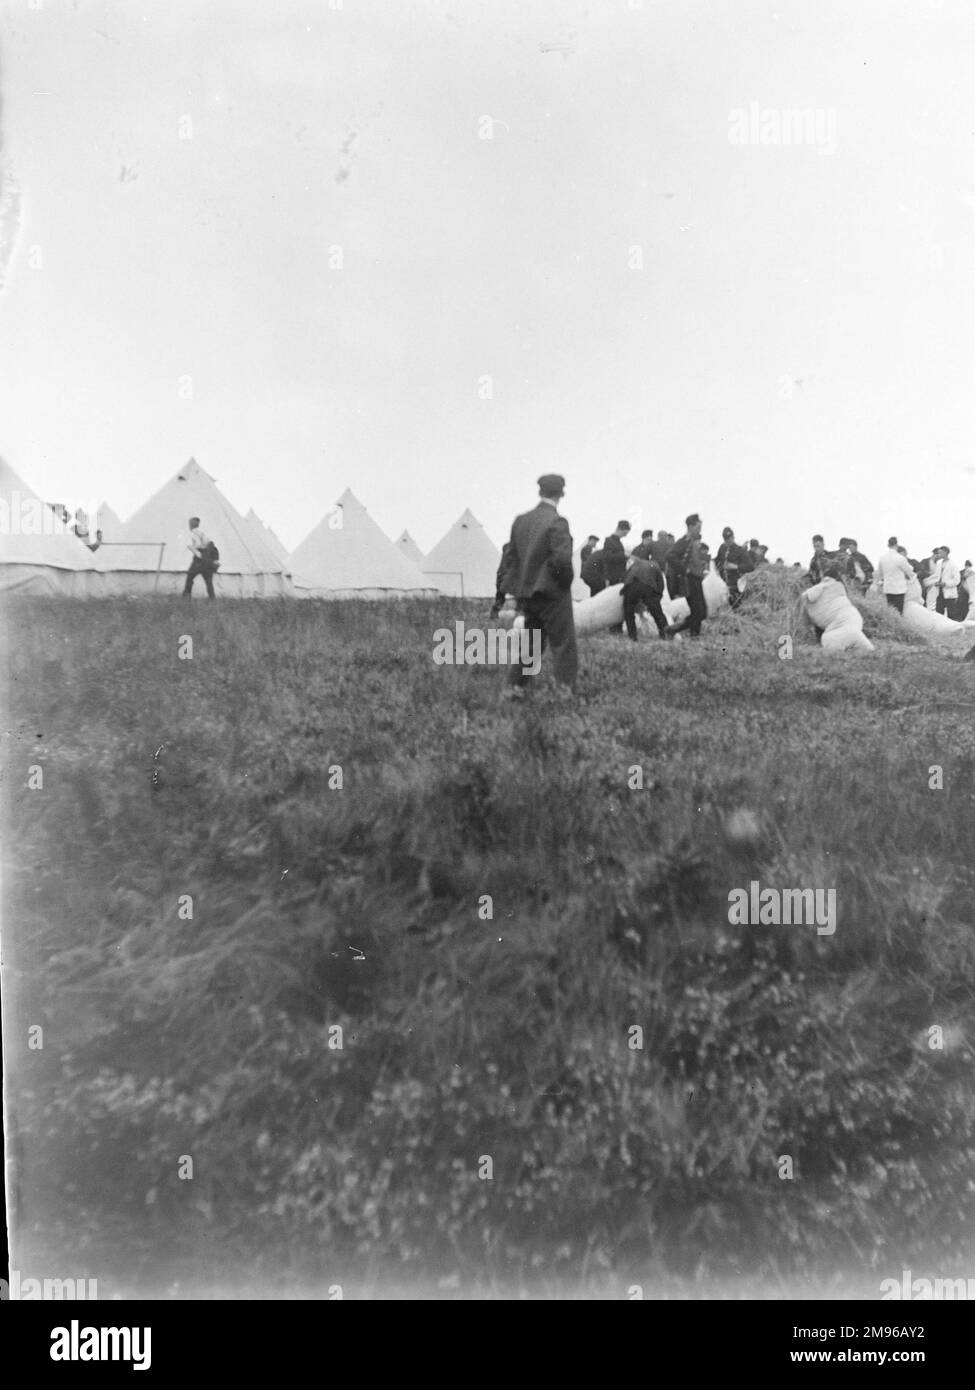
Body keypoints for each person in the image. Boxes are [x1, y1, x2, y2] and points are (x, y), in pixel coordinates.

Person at [498, 474, 577, 691]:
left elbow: (510, 557)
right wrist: (564, 583)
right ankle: (565, 692)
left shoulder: (521, 520)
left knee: (531, 643)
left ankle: (513, 687)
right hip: (552, 593)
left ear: (539, 491)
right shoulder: (557, 522)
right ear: (561, 494)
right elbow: (561, 559)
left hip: (526, 593)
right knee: (563, 644)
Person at [666, 513, 708, 638]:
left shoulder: (694, 542)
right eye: (698, 527)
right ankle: (682, 633)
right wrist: (686, 570)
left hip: (697, 580)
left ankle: (678, 631)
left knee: (701, 612)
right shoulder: (684, 541)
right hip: (689, 581)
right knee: (698, 611)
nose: (700, 530)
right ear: (690, 527)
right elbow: (670, 555)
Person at [621, 553, 669, 641]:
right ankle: (665, 634)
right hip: (648, 587)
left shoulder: (635, 564)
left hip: (632, 586)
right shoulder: (655, 566)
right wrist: (656, 600)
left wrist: (625, 594)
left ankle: (633, 637)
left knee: (628, 612)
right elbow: (660, 586)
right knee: (658, 613)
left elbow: (626, 580)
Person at [715, 526, 752, 609]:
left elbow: (750, 566)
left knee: (736, 609)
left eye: (729, 538)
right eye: (725, 539)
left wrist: (736, 566)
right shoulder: (722, 548)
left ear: (733, 537)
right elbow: (718, 560)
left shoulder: (740, 551)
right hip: (723, 584)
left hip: (735, 586)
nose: (728, 541)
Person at [875, 535, 914, 613]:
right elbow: (910, 572)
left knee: (890, 611)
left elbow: (880, 573)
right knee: (898, 612)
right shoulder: (900, 558)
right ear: (897, 545)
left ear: (888, 545)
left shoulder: (882, 558)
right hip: (899, 590)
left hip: (888, 588)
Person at [184, 515, 217, 598]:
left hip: (199, 558)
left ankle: (187, 596)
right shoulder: (203, 534)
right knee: (208, 580)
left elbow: (190, 546)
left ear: (190, 525)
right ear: (198, 525)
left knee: (190, 577)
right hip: (207, 558)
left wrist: (198, 555)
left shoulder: (191, 534)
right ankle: (212, 598)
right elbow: (211, 545)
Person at [489, 541, 512, 618]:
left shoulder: (506, 547)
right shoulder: (513, 548)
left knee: (500, 597)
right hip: (507, 574)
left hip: (501, 574)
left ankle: (494, 614)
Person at [936, 547, 961, 618]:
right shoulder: (939, 564)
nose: (939, 554)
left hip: (949, 593)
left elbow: (957, 580)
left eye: (940, 553)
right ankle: (940, 628)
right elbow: (936, 577)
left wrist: (945, 584)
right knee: (939, 613)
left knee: (951, 614)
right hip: (939, 592)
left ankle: (953, 628)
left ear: (945, 552)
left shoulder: (953, 564)